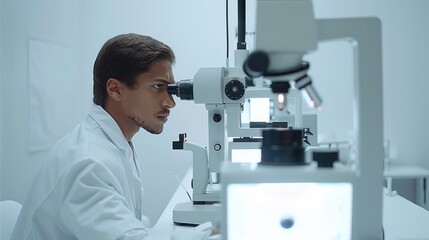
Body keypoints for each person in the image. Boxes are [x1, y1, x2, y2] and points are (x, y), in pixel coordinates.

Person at [11, 33, 213, 240]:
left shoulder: (113, 144)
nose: (171, 103)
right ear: (115, 89)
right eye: (157, 87)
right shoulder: (89, 164)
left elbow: (124, 223)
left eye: (170, 89)